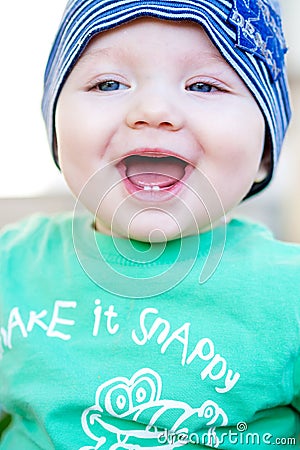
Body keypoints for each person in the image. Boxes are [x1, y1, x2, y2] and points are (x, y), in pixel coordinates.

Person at [0, 0, 299, 448]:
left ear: (265, 153)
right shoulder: (13, 266)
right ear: (57, 133)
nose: (153, 109)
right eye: (108, 83)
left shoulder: (289, 293)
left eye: (203, 85)